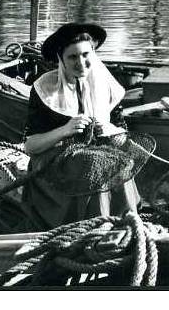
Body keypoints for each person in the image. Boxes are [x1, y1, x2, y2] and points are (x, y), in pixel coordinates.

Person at [22, 22, 141, 230]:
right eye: (73, 57)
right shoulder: (44, 89)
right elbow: (30, 146)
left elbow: (123, 134)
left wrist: (110, 130)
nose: (82, 63)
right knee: (92, 162)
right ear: (60, 58)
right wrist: (65, 130)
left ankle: (124, 222)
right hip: (52, 166)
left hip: (95, 155)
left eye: (86, 54)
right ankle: (94, 228)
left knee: (122, 159)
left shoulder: (106, 85)